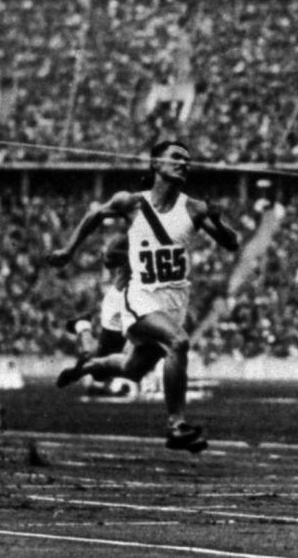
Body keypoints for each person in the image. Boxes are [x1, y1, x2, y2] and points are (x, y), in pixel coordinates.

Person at [46, 140, 239, 453]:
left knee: (132, 369)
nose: (183, 164)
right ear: (155, 164)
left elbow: (231, 244)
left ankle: (85, 367)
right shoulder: (132, 202)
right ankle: (176, 424)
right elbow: (95, 215)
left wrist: (217, 219)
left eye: (188, 160)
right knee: (179, 342)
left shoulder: (194, 208)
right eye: (176, 157)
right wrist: (68, 251)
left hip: (174, 302)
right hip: (140, 298)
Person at [56, 234, 135, 395]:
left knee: (104, 366)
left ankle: (82, 326)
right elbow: (109, 258)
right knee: (100, 369)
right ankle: (82, 327)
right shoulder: (135, 237)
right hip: (120, 306)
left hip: (137, 304)